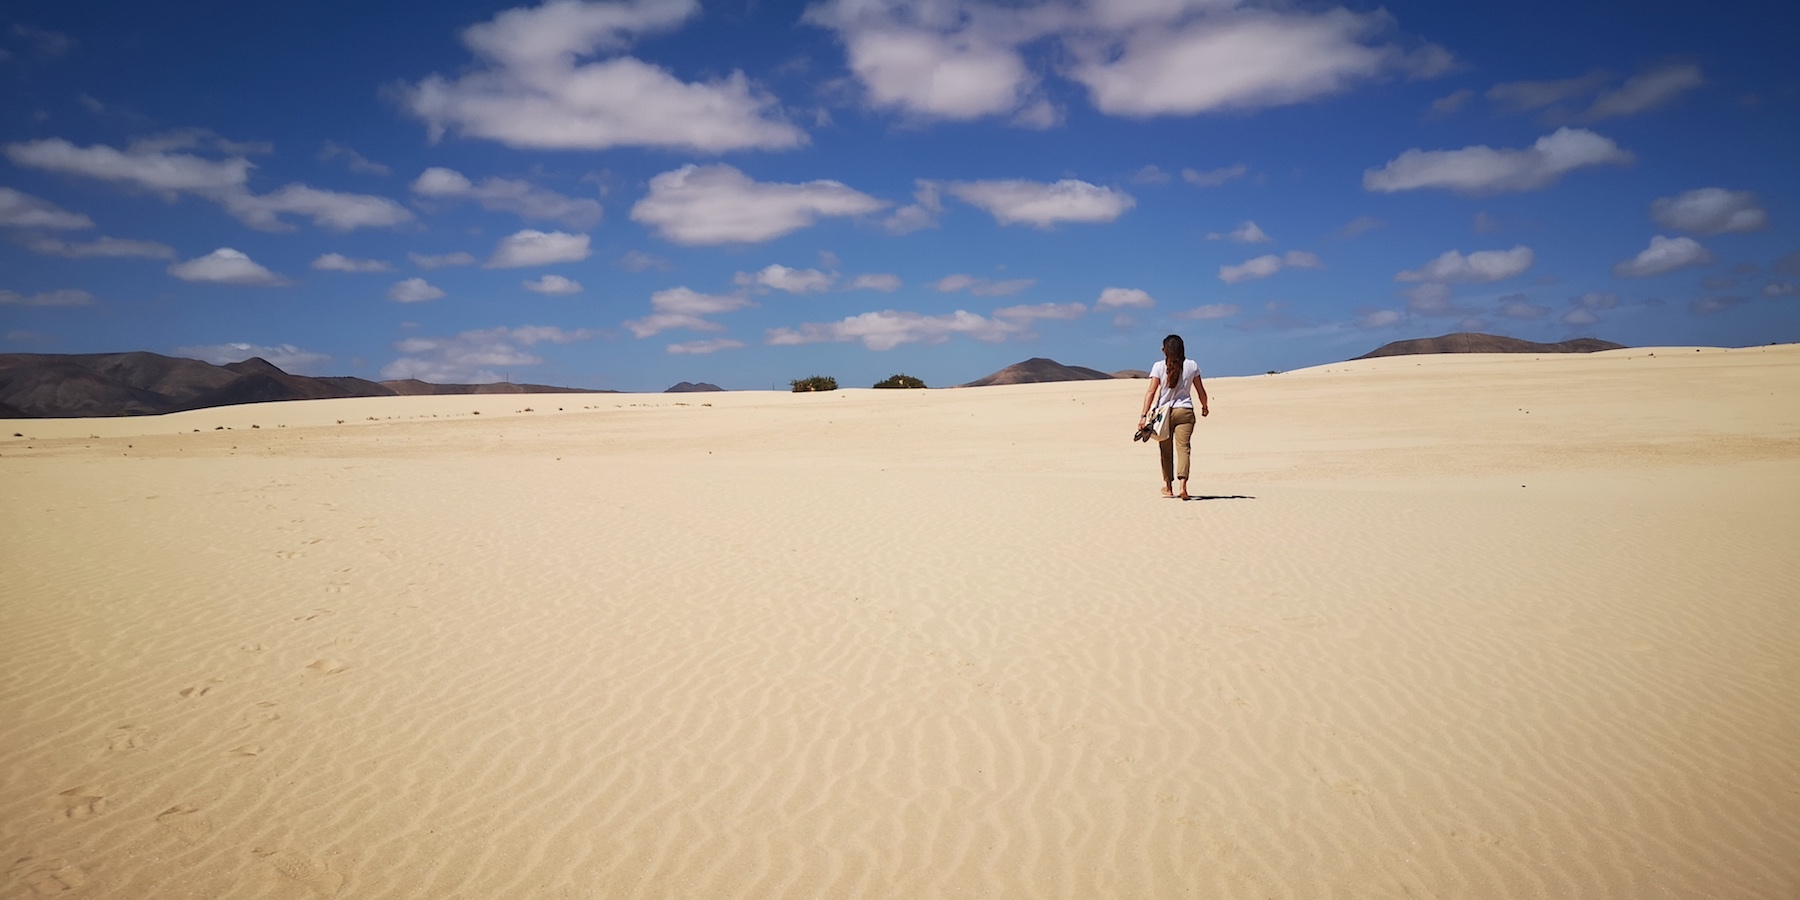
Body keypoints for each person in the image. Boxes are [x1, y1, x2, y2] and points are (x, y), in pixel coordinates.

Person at [1137, 334, 1209, 499]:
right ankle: (1183, 485)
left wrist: (1143, 415)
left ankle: (1168, 487)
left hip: (1164, 414)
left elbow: (1151, 391)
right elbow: (1200, 390)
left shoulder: (1158, 366)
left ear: (1165, 350)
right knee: (1184, 449)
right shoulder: (1192, 365)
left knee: (1166, 450)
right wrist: (1204, 406)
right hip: (1185, 411)